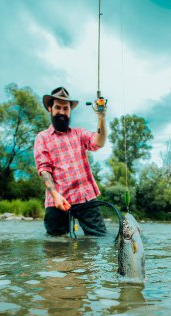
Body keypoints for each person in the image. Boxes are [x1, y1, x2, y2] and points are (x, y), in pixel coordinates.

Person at [34, 86, 107, 236]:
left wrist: (101, 118)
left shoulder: (79, 133)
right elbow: (44, 169)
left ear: (70, 110)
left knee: (99, 239)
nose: (62, 112)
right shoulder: (42, 138)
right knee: (55, 246)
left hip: (85, 197)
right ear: (50, 109)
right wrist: (55, 195)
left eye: (66, 108)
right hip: (58, 201)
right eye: (58, 107)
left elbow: (98, 142)